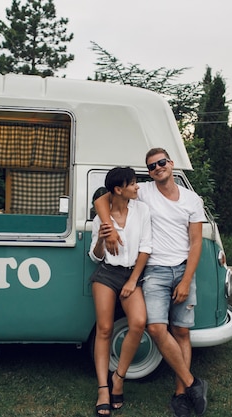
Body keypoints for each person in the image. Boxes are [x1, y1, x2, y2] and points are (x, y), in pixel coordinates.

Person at [94, 148, 209, 417]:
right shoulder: (142, 191)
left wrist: (187, 280)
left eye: (161, 163)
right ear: (149, 172)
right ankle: (194, 384)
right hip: (155, 270)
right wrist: (107, 227)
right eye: (152, 166)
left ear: (171, 164)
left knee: (181, 332)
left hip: (183, 270)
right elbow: (103, 199)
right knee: (156, 329)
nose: (158, 168)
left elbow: (196, 243)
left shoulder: (192, 200)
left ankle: (181, 394)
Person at [89, 167, 152, 417]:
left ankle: (119, 377)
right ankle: (103, 389)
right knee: (104, 329)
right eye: (133, 184)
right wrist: (102, 239)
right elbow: (95, 257)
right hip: (106, 274)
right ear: (118, 189)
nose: (137, 187)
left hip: (131, 275)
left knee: (138, 323)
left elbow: (146, 247)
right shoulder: (100, 220)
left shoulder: (142, 210)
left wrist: (133, 280)